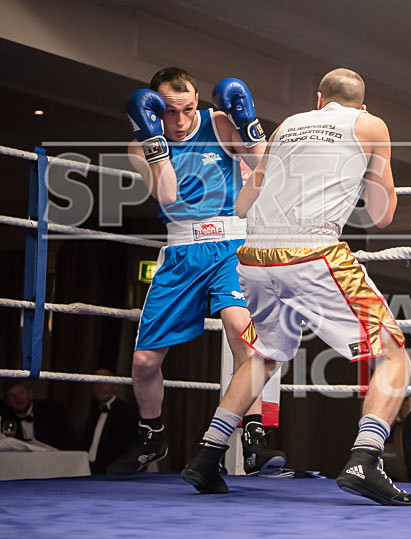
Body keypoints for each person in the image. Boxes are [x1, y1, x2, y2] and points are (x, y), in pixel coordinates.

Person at [180, 68, 411, 506]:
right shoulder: (370, 124)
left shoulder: (289, 125)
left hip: (252, 257)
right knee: (394, 351)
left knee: (265, 355)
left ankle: (207, 455)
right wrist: (369, 174)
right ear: (360, 105)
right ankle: (365, 458)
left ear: (318, 99)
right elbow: (382, 215)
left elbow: (243, 202)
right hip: (313, 253)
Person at [109, 67, 284, 475]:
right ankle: (152, 435)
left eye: (189, 109)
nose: (183, 120)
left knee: (244, 334)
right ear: (153, 110)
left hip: (230, 246)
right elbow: (169, 195)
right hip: (181, 251)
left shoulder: (219, 123)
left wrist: (249, 124)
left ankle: (254, 436)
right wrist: (154, 141)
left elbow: (264, 168)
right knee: (145, 363)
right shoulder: (139, 147)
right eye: (170, 112)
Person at [82, 369, 139, 474]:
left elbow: (128, 447)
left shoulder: (127, 412)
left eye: (105, 382)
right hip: (89, 470)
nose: (100, 387)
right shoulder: (93, 413)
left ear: (115, 386)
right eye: (96, 383)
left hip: (113, 473)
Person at [1, 379, 77, 450]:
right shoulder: (5, 417)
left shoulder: (51, 411)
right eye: (12, 395)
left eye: (22, 392)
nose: (18, 398)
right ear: (7, 401)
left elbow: (69, 440)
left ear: (30, 393)